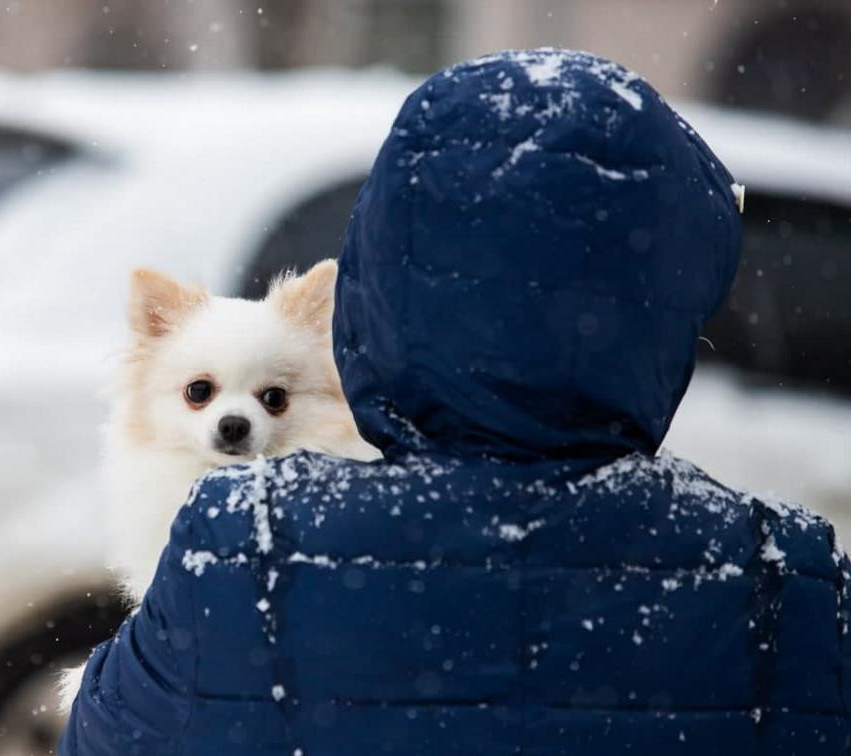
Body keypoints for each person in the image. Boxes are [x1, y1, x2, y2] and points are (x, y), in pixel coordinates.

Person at [59, 48, 851, 755]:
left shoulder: (245, 546)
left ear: (384, 276)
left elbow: (100, 736)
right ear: (672, 301)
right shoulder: (785, 582)